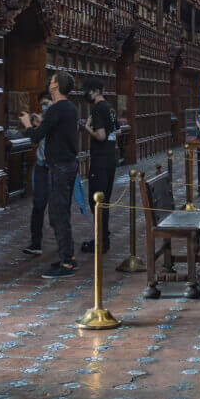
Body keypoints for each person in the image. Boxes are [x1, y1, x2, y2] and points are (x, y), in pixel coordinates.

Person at [20, 71, 80, 278]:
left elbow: (36, 137)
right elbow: (56, 131)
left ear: (55, 86)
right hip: (69, 165)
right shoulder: (70, 108)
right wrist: (41, 123)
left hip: (61, 167)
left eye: (52, 80)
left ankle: (68, 263)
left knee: (58, 215)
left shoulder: (56, 109)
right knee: (60, 213)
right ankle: (67, 257)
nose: (49, 82)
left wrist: (28, 124)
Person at [80, 77, 119, 254]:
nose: (85, 94)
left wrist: (86, 127)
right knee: (105, 199)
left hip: (100, 159)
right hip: (112, 157)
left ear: (95, 90)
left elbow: (101, 136)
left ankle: (101, 241)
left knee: (95, 199)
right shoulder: (110, 107)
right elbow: (117, 130)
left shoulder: (97, 109)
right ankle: (104, 238)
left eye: (87, 90)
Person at [23, 91, 52, 256]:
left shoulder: (55, 118)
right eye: (42, 103)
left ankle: (65, 249)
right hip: (42, 166)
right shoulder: (42, 119)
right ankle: (36, 243)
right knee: (38, 205)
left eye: (47, 102)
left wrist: (33, 126)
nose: (44, 106)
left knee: (57, 208)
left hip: (55, 167)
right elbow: (36, 139)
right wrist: (35, 125)